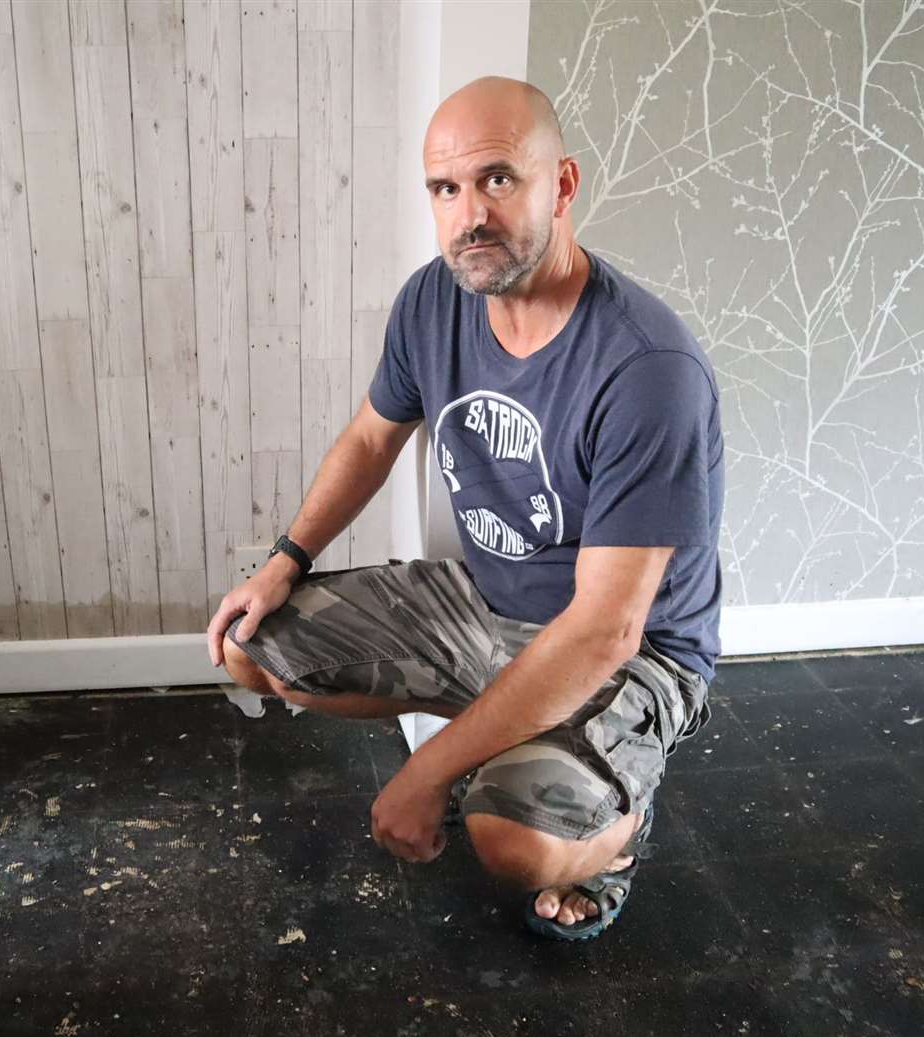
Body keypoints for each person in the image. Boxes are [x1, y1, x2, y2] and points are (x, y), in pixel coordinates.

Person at [204, 76, 723, 941]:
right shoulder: (433, 301)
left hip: (637, 656)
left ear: (561, 186)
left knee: (510, 841)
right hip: (484, 600)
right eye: (446, 189)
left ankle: (618, 835)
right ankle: (512, 731)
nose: (468, 214)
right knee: (251, 647)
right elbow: (373, 439)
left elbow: (605, 632)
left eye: (497, 180)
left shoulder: (646, 368)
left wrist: (428, 773)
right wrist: (284, 560)